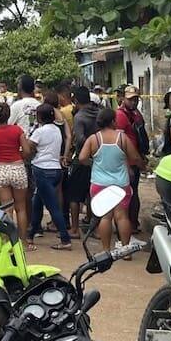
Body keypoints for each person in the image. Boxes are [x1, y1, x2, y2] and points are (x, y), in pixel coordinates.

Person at [79, 108, 142, 251]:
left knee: (105, 218)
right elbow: (135, 157)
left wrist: (93, 162)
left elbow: (82, 158)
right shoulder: (122, 138)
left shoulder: (94, 139)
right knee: (122, 217)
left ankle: (106, 250)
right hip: (120, 184)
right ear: (113, 121)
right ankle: (125, 251)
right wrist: (142, 166)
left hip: (99, 183)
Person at [0, 103, 33, 245]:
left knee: (7, 208)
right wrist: (19, 156)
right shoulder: (17, 130)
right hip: (17, 169)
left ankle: (8, 242)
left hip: (1, 170)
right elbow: (27, 151)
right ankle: (23, 242)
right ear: (9, 115)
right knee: (21, 208)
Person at [29, 104, 73, 250]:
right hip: (56, 170)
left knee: (52, 207)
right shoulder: (56, 130)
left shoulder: (39, 132)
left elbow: (29, 147)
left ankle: (65, 238)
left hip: (42, 170)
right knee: (37, 202)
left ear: (39, 117)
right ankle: (31, 234)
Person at [67, 86, 100, 238]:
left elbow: (80, 138)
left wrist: (89, 146)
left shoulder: (80, 117)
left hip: (82, 160)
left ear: (76, 100)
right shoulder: (99, 113)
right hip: (99, 159)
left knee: (74, 196)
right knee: (93, 195)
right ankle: (95, 228)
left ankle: (74, 229)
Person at [117, 86, 149, 230]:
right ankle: (130, 224)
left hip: (132, 161)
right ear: (123, 99)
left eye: (136, 99)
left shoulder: (136, 115)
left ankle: (130, 224)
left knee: (129, 194)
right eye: (130, 99)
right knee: (130, 193)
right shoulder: (122, 115)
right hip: (128, 161)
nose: (133, 102)